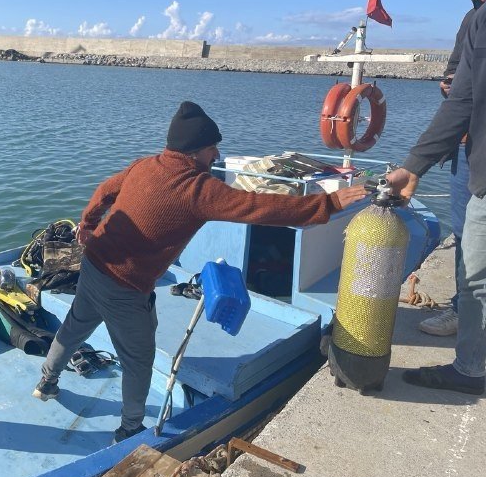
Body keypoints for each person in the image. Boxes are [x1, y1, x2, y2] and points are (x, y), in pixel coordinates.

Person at [32, 101, 370, 443]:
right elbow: (259, 207)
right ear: (194, 152)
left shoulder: (145, 165)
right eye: (212, 148)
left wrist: (88, 225)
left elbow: (105, 190)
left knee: (75, 326)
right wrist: (328, 204)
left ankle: (46, 381)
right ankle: (130, 428)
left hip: (93, 264)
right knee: (138, 359)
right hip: (125, 286)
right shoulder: (198, 190)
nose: (217, 154)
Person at [387, 0, 486, 397]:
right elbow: (461, 94)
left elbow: (462, 99)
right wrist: (415, 165)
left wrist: (413, 165)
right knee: (473, 263)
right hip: (475, 160)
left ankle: (471, 370)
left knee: (477, 274)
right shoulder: (477, 20)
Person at [418, 0, 482, 336]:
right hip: (466, 144)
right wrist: (452, 82)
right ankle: (462, 311)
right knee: (463, 230)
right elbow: (455, 71)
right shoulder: (471, 20)